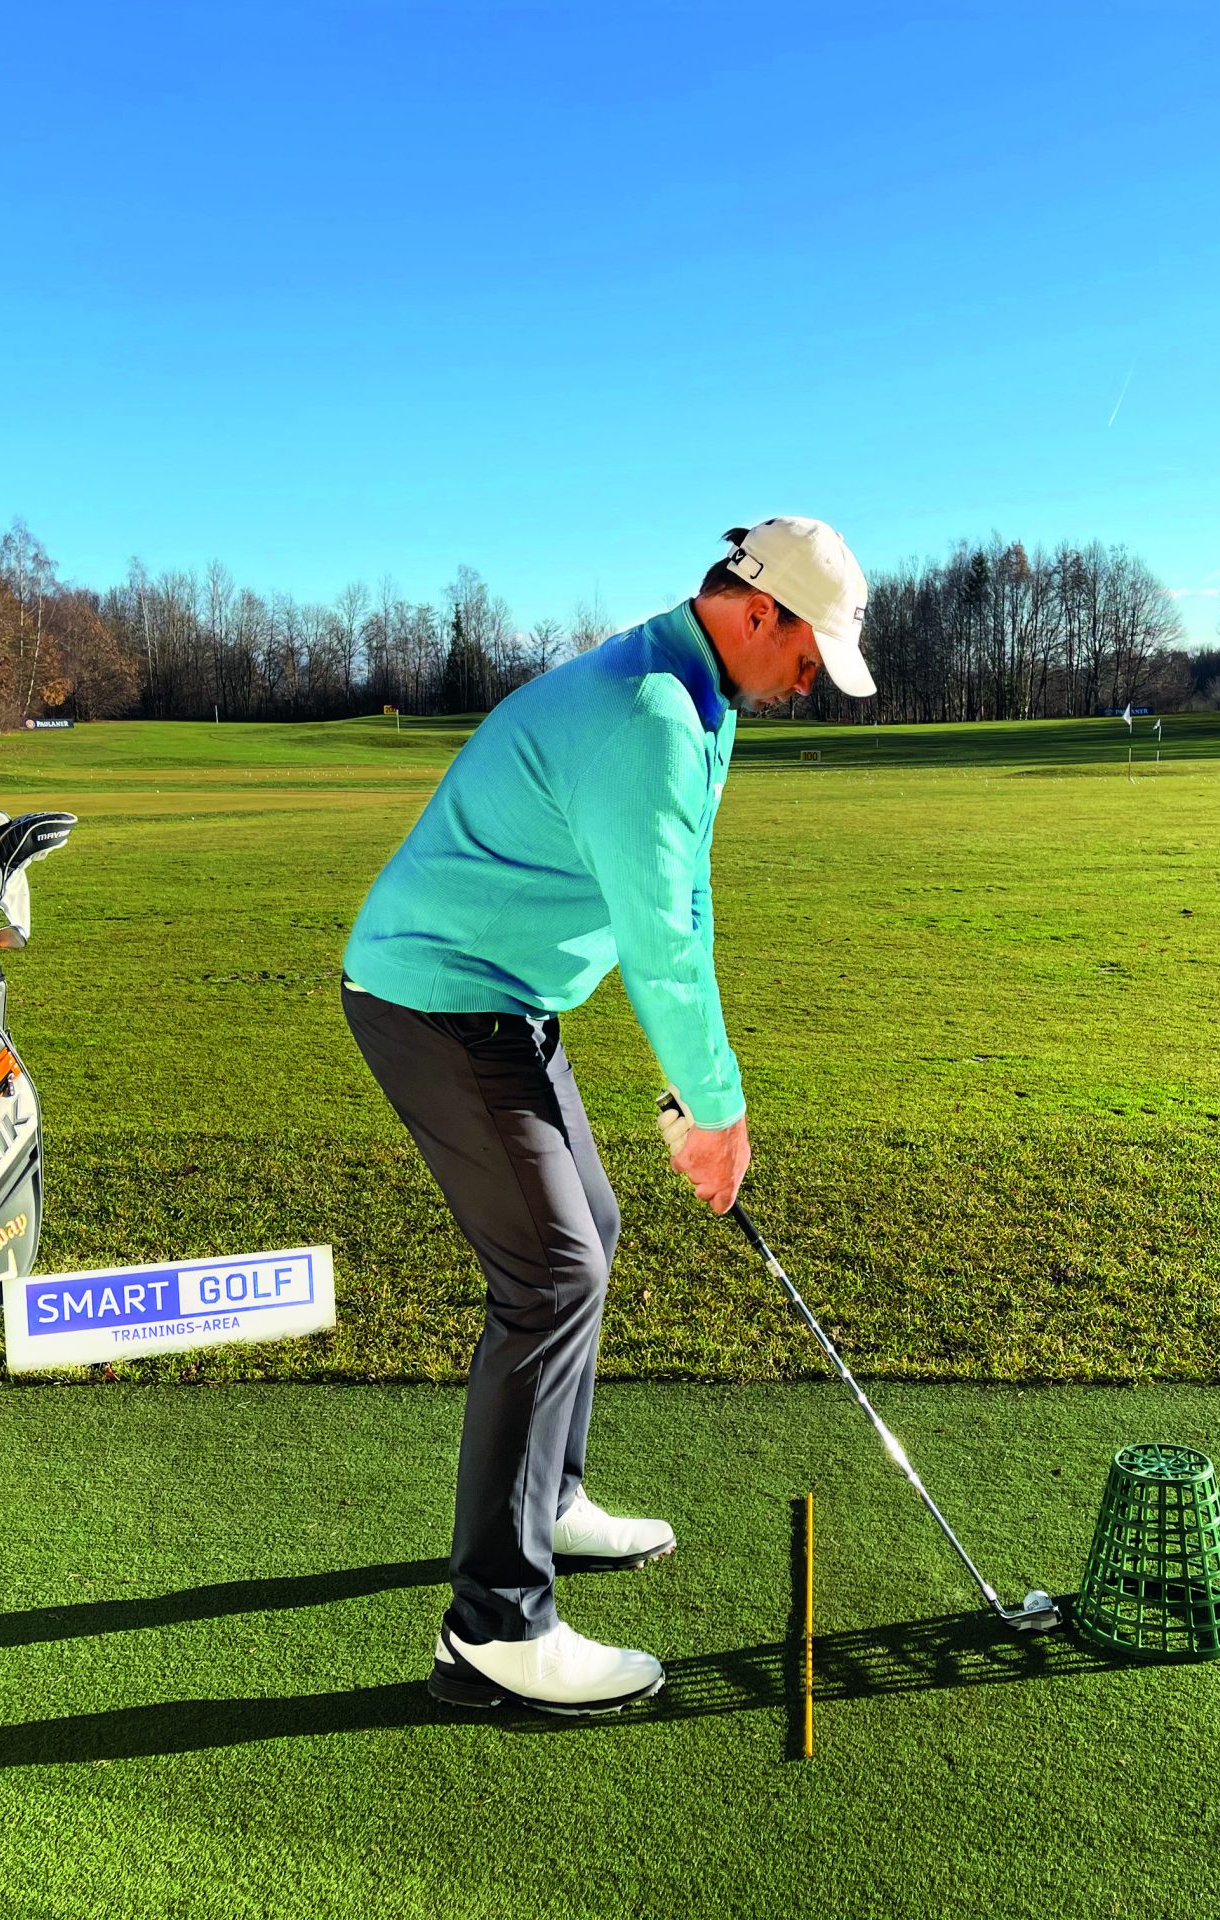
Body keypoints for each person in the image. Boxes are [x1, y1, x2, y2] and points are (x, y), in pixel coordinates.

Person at [340, 517, 873, 1714]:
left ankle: (550, 1501)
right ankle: (493, 1630)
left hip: (502, 1000)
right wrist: (719, 1114)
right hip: (437, 998)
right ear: (755, 612)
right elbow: (660, 945)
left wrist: (701, 1088)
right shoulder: (650, 720)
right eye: (807, 655)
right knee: (551, 1273)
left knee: (593, 1231)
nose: (809, 681)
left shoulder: (693, 695)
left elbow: (684, 893)